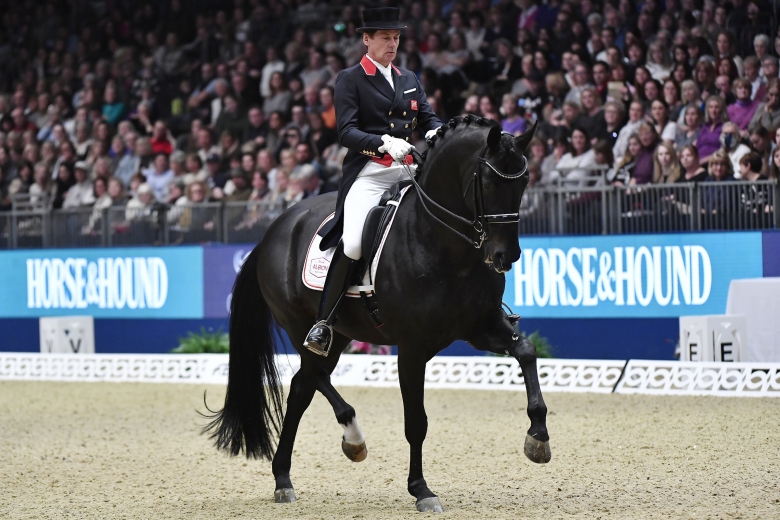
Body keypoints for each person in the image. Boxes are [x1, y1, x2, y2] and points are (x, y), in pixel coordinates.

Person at [305, 7, 444, 355]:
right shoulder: (350, 79)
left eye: (396, 38)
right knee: (352, 244)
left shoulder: (409, 78)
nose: (392, 44)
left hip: (409, 169)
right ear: (366, 40)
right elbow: (346, 132)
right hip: (370, 172)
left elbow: (427, 119)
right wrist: (383, 142)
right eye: (385, 38)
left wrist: (442, 131)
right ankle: (324, 323)